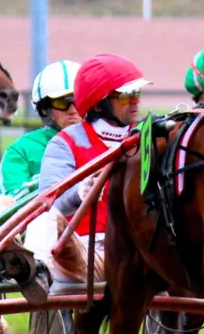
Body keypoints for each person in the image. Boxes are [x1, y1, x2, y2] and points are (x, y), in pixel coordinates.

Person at [37, 53, 150, 282]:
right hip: (83, 252)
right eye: (127, 95)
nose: (136, 101)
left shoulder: (148, 138)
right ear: (99, 104)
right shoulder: (64, 143)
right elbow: (48, 206)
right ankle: (38, 273)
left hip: (141, 249)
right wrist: (80, 193)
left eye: (137, 92)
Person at [0, 60, 81, 219]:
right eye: (62, 102)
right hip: (46, 231)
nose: (72, 110)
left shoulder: (104, 140)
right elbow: (8, 202)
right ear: (46, 108)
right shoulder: (21, 150)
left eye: (77, 101)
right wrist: (56, 177)